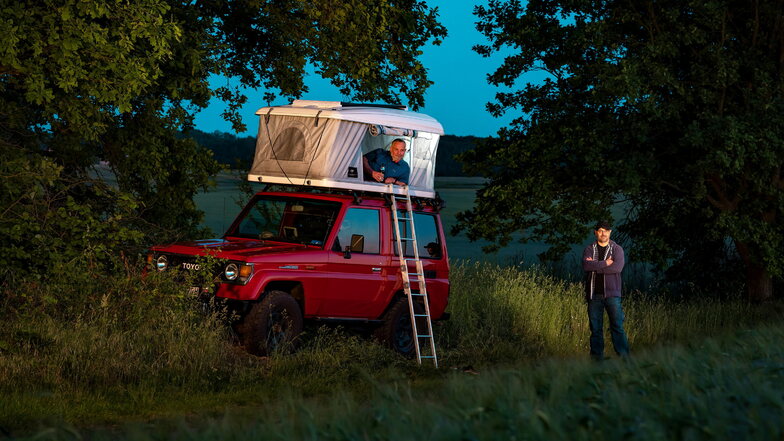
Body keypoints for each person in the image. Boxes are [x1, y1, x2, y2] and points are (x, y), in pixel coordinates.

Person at [582, 220, 629, 360]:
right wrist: (605, 263)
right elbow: (586, 266)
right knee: (596, 329)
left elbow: (617, 268)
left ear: (610, 232)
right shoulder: (589, 249)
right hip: (593, 295)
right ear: (595, 232)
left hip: (612, 295)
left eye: (606, 230)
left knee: (617, 327)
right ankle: (597, 361)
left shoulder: (617, 249)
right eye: (600, 230)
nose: (603, 233)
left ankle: (625, 358)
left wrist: (595, 265)